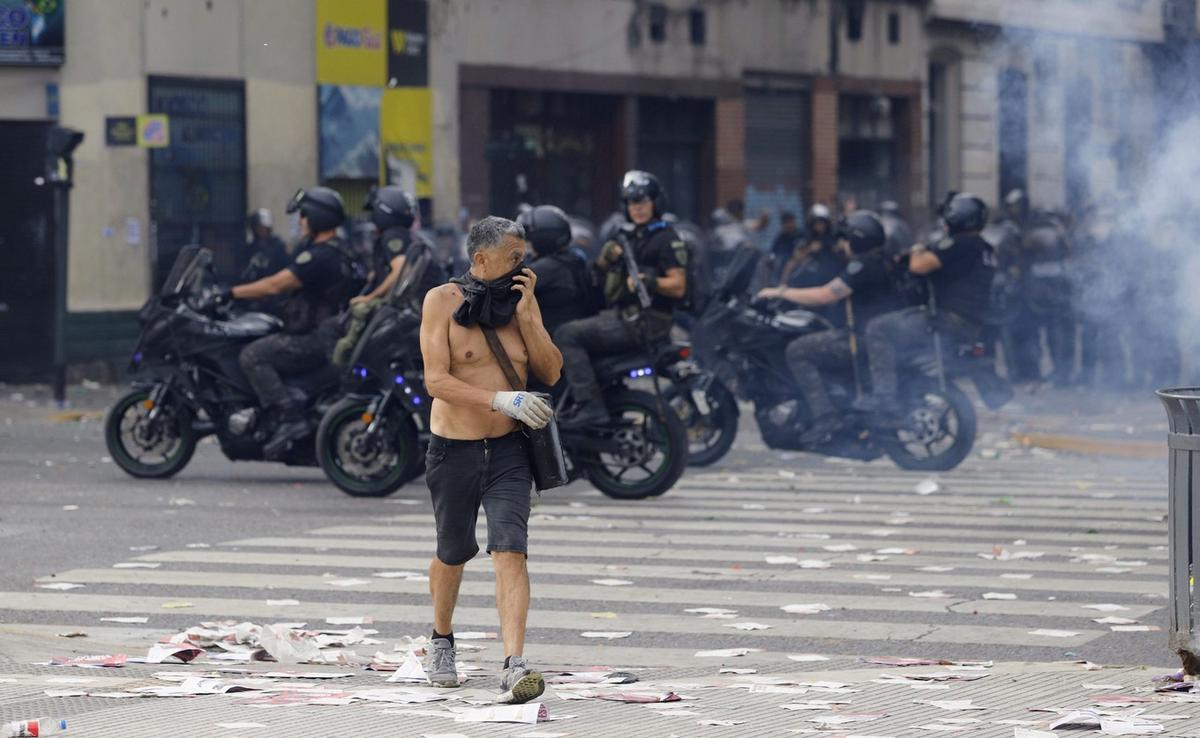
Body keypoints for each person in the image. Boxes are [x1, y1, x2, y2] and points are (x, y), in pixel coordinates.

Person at [418, 215, 562, 704]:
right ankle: (441, 641)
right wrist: (499, 399)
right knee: (453, 551)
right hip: (453, 448)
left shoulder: (521, 301)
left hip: (507, 452)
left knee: (511, 549)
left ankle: (514, 663)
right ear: (481, 259)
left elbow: (551, 369)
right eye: (513, 259)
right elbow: (436, 381)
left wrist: (529, 317)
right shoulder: (440, 301)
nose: (522, 268)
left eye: (523, 259)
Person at [227, 187, 365, 458]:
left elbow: (275, 285)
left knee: (252, 355)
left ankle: (289, 417)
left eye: (303, 215)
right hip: (332, 334)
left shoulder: (319, 256)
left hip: (315, 339)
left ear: (317, 217)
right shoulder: (342, 251)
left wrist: (230, 292)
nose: (300, 221)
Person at [554, 170, 687, 428]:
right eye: (631, 202)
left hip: (645, 320)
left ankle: (590, 405)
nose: (637, 208)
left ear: (655, 203)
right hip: (626, 315)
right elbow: (598, 272)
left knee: (567, 334)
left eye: (643, 201)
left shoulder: (665, 238)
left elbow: (678, 286)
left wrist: (650, 282)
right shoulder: (630, 236)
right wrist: (606, 258)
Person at [756, 211, 902, 443]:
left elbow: (827, 294)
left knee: (798, 350)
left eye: (846, 239)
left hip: (860, 339)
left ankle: (826, 417)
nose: (842, 245)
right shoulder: (884, 259)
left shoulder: (863, 265)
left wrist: (780, 292)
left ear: (857, 239)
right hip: (880, 339)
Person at [857, 193, 997, 420]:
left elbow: (919, 267)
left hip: (946, 319)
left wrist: (916, 249)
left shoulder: (959, 244)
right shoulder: (985, 248)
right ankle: (904, 383)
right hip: (971, 323)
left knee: (878, 327)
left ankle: (884, 397)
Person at [519, 204, 601, 337]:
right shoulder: (572, 258)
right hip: (564, 328)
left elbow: (506, 283)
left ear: (543, 239)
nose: (526, 244)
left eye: (529, 239)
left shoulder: (548, 267)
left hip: (555, 338)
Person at [767, 211, 803, 285]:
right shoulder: (781, 236)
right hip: (784, 262)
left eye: (790, 222)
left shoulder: (800, 234)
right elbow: (773, 251)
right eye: (786, 223)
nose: (789, 225)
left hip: (800, 260)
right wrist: (772, 259)